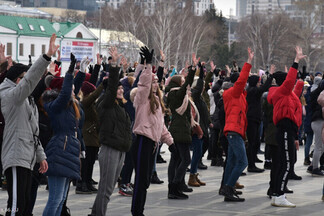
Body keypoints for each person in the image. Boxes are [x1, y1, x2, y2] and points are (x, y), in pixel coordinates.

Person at [0, 34, 60, 216]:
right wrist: (46, 57)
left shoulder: (28, 102)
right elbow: (30, 81)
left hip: (28, 158)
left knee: (24, 205)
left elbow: (34, 132)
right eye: (24, 78)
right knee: (16, 205)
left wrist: (41, 157)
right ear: (17, 80)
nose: (28, 83)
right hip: (16, 156)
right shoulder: (11, 97)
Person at [131, 46, 176, 216]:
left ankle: (139, 209)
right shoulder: (142, 98)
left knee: (146, 181)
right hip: (143, 140)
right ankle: (137, 211)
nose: (155, 83)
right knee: (141, 180)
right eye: (154, 81)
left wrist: (170, 142)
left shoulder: (157, 101)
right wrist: (148, 65)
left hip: (153, 144)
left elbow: (161, 125)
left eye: (158, 81)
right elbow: (143, 83)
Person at [89, 47, 132, 216]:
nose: (121, 90)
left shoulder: (119, 107)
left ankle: (95, 212)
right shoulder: (105, 104)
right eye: (118, 89)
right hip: (109, 150)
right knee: (105, 189)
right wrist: (113, 66)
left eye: (122, 88)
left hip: (120, 150)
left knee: (108, 188)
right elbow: (112, 87)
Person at [41, 53, 80, 216]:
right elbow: (65, 94)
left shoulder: (70, 106)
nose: (72, 90)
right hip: (59, 152)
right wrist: (69, 71)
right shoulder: (54, 105)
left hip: (68, 151)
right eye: (68, 87)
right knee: (55, 199)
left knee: (61, 198)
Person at [267, 46, 306, 207]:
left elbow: (297, 86)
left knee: (285, 162)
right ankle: (279, 195)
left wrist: (301, 73)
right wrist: (295, 61)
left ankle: (277, 194)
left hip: (290, 130)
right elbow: (291, 81)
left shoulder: (289, 94)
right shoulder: (280, 92)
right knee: (287, 163)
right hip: (283, 129)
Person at [222, 47, 254, 202]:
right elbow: (241, 81)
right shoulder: (234, 93)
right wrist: (248, 62)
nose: (245, 84)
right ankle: (228, 187)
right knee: (243, 162)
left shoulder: (239, 95)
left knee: (232, 161)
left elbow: (241, 83)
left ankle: (226, 187)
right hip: (234, 131)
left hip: (235, 131)